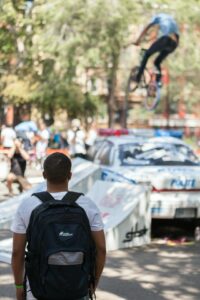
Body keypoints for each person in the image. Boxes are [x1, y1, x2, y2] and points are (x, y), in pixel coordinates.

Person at [11, 152, 106, 300]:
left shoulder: (28, 205)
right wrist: (93, 281)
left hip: (38, 289)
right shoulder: (87, 205)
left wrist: (18, 286)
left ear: (44, 175)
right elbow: (101, 249)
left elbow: (17, 252)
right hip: (78, 287)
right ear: (70, 175)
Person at [133, 13, 179, 84]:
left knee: (146, 54)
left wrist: (138, 40)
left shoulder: (156, 17)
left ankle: (138, 77)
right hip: (174, 43)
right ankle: (158, 80)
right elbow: (157, 37)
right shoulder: (169, 20)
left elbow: (146, 28)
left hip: (166, 39)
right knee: (157, 62)